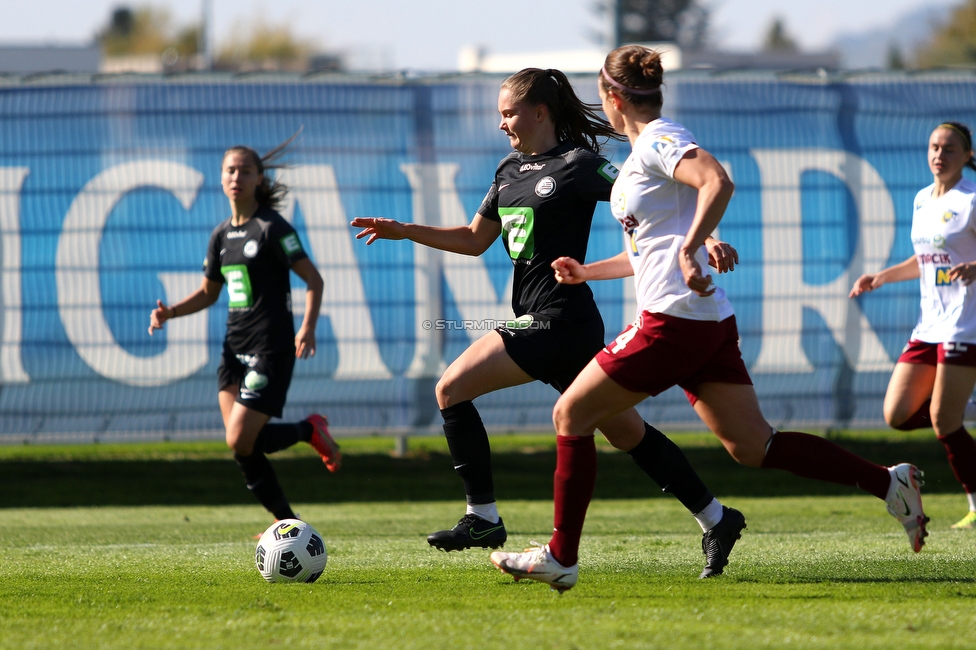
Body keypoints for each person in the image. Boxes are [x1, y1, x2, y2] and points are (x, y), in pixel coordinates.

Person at [489, 45, 930, 593]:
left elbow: (717, 181)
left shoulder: (658, 139)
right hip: (704, 321)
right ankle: (889, 484)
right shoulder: (636, 159)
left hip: (671, 321)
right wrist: (587, 272)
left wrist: (694, 246)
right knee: (753, 446)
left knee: (570, 414)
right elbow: (649, 248)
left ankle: (561, 556)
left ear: (612, 97)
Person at [351, 67, 746, 578]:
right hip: (553, 324)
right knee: (628, 434)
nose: (502, 124)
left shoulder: (580, 165)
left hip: (558, 320)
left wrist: (707, 237)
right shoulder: (508, 171)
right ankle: (716, 517)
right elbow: (474, 240)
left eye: (509, 113)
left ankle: (483, 518)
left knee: (450, 388)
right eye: (499, 114)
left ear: (540, 112)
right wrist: (405, 231)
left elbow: (660, 195)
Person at [148, 142, 341, 528]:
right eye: (230, 171)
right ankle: (286, 521)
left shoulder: (272, 227)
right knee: (242, 446)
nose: (237, 177)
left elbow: (313, 279)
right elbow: (208, 293)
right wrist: (170, 312)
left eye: (245, 171)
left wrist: (307, 326)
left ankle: (309, 429)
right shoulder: (220, 235)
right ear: (221, 179)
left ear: (259, 178)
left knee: (239, 440)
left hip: (269, 349)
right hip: (232, 350)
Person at [849, 121, 976, 531]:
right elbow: (924, 260)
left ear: (968, 155)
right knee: (899, 414)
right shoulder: (923, 199)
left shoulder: (972, 198)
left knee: (943, 420)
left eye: (950, 148)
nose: (940, 154)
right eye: (935, 147)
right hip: (929, 324)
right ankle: (956, 408)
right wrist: (882, 275)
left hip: (965, 322)